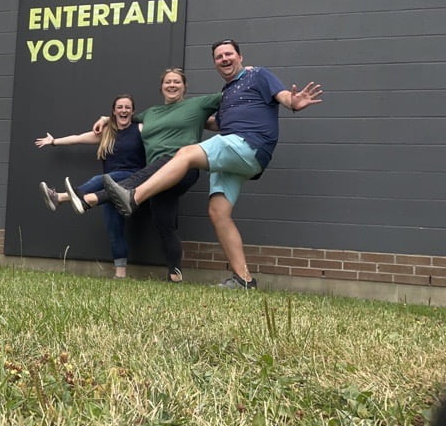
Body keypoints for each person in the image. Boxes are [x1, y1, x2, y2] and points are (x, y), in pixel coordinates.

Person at [99, 39, 323, 289]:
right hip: (234, 157)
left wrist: (294, 102)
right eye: (219, 57)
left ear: (240, 57)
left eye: (229, 54)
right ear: (215, 63)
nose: (224, 59)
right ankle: (244, 280)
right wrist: (109, 119)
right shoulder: (226, 94)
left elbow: (283, 96)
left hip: (248, 144)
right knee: (218, 213)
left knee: (185, 154)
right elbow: (216, 124)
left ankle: (134, 197)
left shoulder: (258, 75)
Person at [71, 68, 222, 282]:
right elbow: (124, 119)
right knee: (164, 224)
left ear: (184, 86)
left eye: (176, 82)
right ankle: (175, 275)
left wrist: (248, 75)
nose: (172, 85)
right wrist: (106, 118)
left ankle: (90, 199)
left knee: (144, 175)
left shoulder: (197, 105)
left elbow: (230, 95)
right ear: (161, 87)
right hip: (158, 177)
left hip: (183, 166)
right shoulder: (151, 113)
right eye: (168, 82)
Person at [35, 94, 145, 278]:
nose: (123, 110)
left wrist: (104, 118)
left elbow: (157, 124)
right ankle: (120, 274)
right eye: (120, 107)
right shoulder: (107, 132)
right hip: (111, 188)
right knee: (114, 227)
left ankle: (60, 197)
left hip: (132, 179)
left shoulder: (140, 129)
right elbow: (78, 138)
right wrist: (54, 141)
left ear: (133, 111)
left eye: (127, 107)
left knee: (103, 178)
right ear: (114, 110)